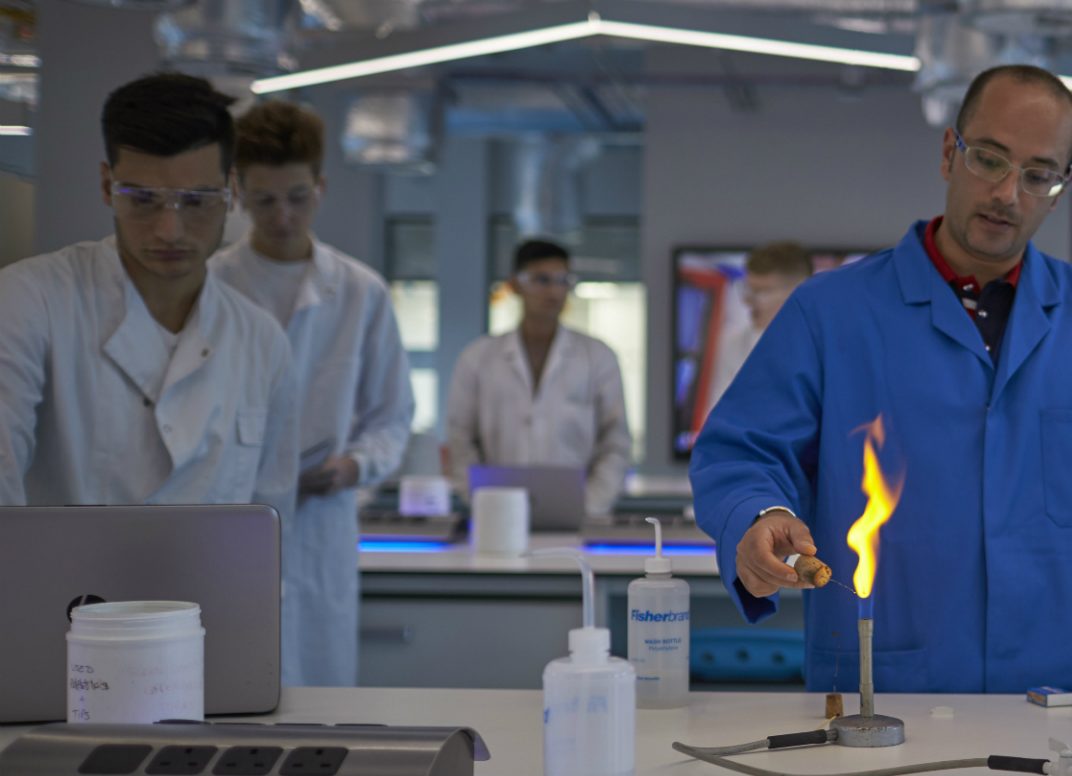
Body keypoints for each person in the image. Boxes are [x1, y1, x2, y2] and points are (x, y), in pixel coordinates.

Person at [691, 65, 1072, 696]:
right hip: (885, 691)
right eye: (989, 160)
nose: (1008, 193)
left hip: (1058, 696)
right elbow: (742, 450)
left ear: (1064, 186)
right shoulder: (831, 312)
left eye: (1037, 175)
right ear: (950, 153)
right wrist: (762, 516)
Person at [0, 73, 297, 516]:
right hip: (65, 588)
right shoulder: (28, 303)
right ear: (106, 186)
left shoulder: (262, 341)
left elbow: (271, 532)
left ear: (231, 192)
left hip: (210, 588)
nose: (169, 230)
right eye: (141, 199)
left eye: (196, 201)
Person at [210, 99, 414, 687]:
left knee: (323, 701)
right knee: (236, 691)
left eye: (297, 198)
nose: (281, 217)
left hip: (323, 522)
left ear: (320, 188)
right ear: (237, 192)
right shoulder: (212, 286)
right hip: (233, 523)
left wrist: (354, 466)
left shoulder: (359, 292)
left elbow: (393, 416)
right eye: (265, 200)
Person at [446, 239, 632, 516]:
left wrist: (591, 506)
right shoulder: (478, 357)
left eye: (563, 280)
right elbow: (460, 438)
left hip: (578, 514)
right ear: (515, 285)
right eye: (542, 279)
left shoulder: (598, 357)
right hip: (497, 513)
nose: (554, 291)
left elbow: (615, 442)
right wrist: (481, 502)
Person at [699, 240, 814, 422]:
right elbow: (717, 421)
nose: (747, 301)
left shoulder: (832, 350)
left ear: (797, 295)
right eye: (747, 289)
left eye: (759, 292)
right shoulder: (735, 346)